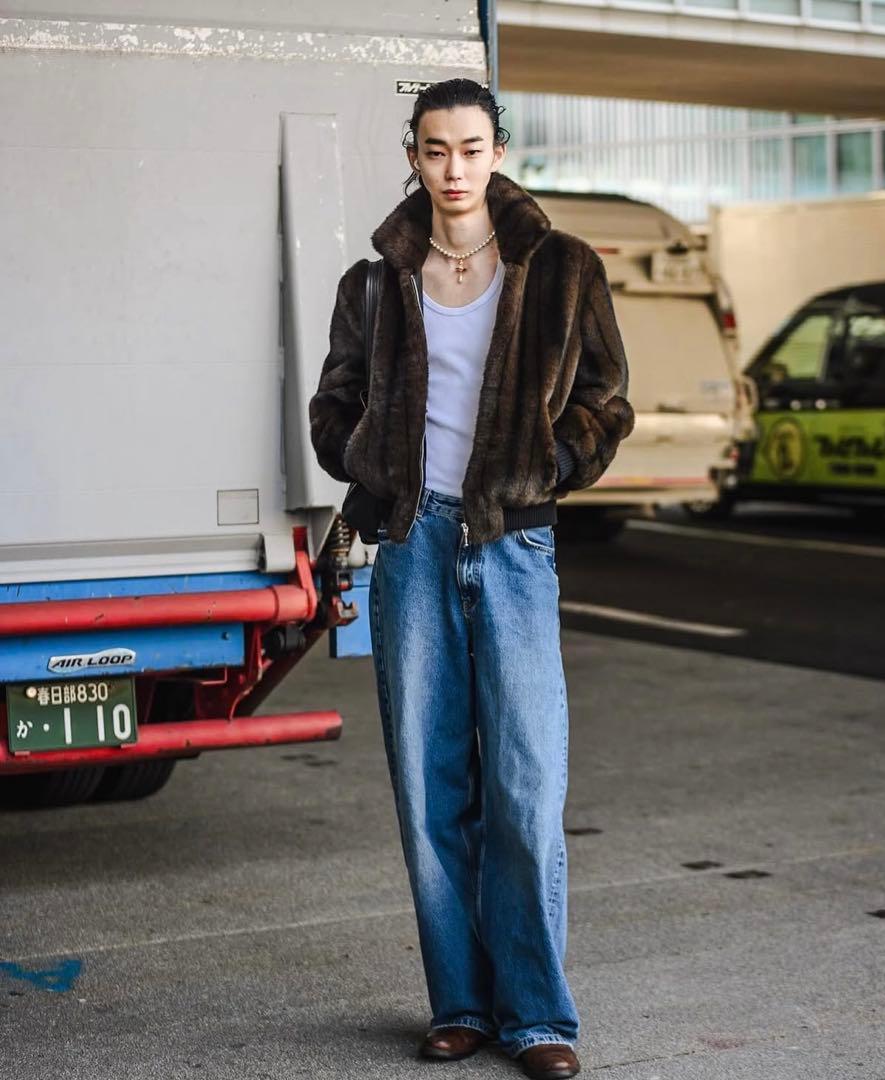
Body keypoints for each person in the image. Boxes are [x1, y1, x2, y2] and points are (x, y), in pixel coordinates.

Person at [308, 78, 634, 1080]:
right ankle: (459, 1004)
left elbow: (606, 400)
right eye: (436, 149)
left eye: (472, 147)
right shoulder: (375, 283)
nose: (454, 168)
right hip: (413, 547)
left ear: (499, 151)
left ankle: (536, 1016)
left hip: (514, 547)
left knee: (526, 788)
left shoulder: (564, 269)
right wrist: (372, 461)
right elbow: (333, 406)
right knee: (430, 788)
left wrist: (552, 465)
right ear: (413, 154)